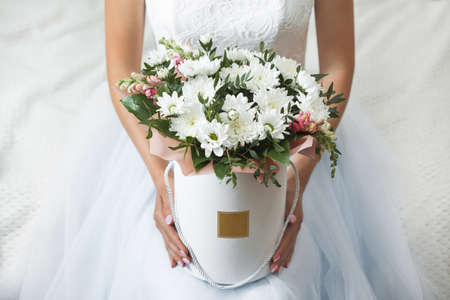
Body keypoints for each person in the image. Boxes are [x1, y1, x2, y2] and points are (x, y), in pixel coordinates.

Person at [18, 0, 436, 299]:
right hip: (166, 145)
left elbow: (337, 65)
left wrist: (296, 179)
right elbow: (122, 69)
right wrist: (163, 179)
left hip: (291, 148)